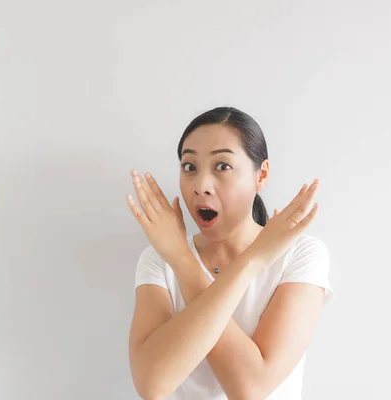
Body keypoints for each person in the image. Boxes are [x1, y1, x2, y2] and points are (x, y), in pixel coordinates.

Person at [126, 106, 334, 399]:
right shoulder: (160, 259)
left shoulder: (301, 254)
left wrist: (251, 260)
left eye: (222, 166)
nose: (200, 186)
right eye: (190, 167)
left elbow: (250, 389)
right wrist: (184, 260)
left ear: (261, 175)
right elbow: (152, 385)